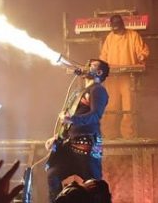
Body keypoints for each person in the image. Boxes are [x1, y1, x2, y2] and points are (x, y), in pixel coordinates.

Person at [46, 59, 110, 203]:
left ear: (99, 72)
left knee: (93, 185)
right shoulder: (79, 92)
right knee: (53, 174)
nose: (86, 66)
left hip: (88, 143)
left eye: (91, 65)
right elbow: (70, 120)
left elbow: (95, 115)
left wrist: (73, 119)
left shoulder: (98, 90)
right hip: (70, 144)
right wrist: (57, 137)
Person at [98, 15, 149, 139]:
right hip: (112, 78)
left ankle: (128, 136)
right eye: (114, 28)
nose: (116, 30)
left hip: (128, 78)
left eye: (118, 27)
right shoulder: (110, 38)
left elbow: (143, 51)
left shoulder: (133, 36)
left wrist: (142, 56)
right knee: (110, 107)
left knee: (129, 108)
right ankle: (109, 136)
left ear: (122, 25)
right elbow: (103, 57)